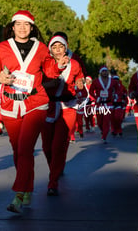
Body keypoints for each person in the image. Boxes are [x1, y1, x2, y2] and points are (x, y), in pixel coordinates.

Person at [0, 10, 68, 213]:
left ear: (32, 28)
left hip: (36, 103)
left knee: (24, 147)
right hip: (10, 104)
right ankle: (28, 187)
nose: (22, 28)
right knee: (18, 149)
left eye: (26, 24)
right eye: (18, 24)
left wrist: (59, 65)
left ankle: (19, 194)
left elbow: (50, 71)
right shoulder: (1, 48)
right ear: (12, 27)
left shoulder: (40, 48)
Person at [41, 34, 84, 196]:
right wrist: (49, 83)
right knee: (46, 147)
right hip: (48, 107)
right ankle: (56, 167)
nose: (58, 50)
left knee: (58, 145)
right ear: (50, 50)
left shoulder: (75, 64)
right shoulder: (45, 64)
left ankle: (53, 183)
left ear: (66, 48)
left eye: (61, 47)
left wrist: (80, 82)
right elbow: (38, 83)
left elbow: (80, 77)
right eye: (54, 47)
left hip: (68, 107)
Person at [89, 66, 120, 144]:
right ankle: (103, 131)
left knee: (106, 121)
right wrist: (96, 97)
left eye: (106, 71)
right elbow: (91, 91)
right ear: (100, 72)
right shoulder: (96, 81)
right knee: (99, 122)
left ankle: (104, 136)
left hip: (109, 104)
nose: (105, 72)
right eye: (103, 71)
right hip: (99, 104)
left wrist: (115, 95)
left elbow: (117, 89)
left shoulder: (113, 81)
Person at [110, 71, 127, 137]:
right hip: (111, 103)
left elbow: (125, 93)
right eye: (114, 80)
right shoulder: (110, 86)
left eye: (117, 79)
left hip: (119, 103)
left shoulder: (121, 86)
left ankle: (119, 130)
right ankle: (113, 130)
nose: (116, 81)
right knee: (112, 118)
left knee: (118, 118)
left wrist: (124, 97)